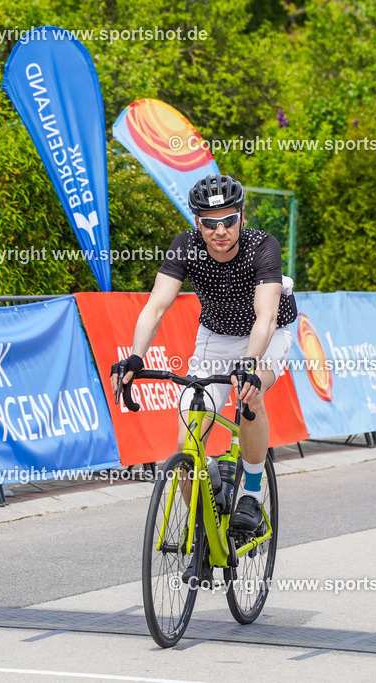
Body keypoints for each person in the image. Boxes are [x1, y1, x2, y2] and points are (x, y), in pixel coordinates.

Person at [110, 174, 297, 532]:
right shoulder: (186, 245)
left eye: (229, 220)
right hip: (216, 334)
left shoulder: (263, 246)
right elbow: (156, 306)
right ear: (198, 223)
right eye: (210, 223)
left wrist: (249, 365)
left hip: (267, 334)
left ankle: (252, 495)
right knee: (187, 438)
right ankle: (201, 526)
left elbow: (266, 317)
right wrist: (134, 358)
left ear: (242, 217)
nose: (220, 230)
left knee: (250, 394)